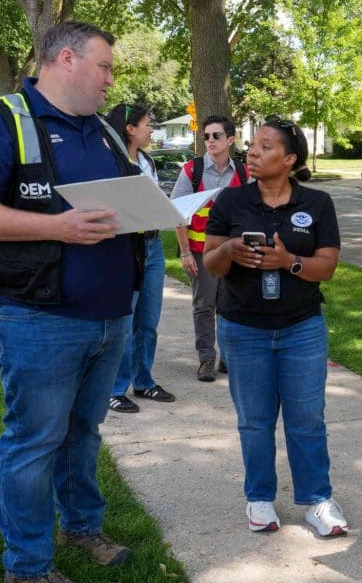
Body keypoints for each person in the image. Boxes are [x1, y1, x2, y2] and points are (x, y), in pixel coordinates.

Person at [0, 21, 140, 583]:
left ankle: (81, 527)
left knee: (83, 434)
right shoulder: (0, 121)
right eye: (104, 67)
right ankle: (27, 566)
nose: (111, 80)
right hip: (37, 318)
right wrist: (57, 227)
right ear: (67, 58)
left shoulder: (103, 129)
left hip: (109, 316)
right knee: (34, 442)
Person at [202, 118, 348, 537]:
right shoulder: (230, 202)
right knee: (255, 419)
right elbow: (211, 263)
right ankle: (260, 498)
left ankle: (318, 500)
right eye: (252, 145)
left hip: (301, 328)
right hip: (242, 328)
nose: (252, 152)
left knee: (306, 419)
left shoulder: (317, 203)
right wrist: (229, 248)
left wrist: (289, 262)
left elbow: (329, 267)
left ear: (288, 160)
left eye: (265, 147)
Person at [104, 102, 176, 413]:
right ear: (129, 128)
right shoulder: (109, 162)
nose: (151, 129)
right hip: (125, 247)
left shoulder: (147, 161)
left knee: (149, 319)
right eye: (147, 124)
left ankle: (144, 380)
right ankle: (115, 389)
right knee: (125, 319)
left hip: (152, 245)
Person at [172, 115, 247, 382]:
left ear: (230, 140)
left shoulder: (242, 172)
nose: (210, 141)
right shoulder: (192, 171)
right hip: (201, 253)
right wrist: (184, 252)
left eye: (216, 136)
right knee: (204, 306)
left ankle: (228, 358)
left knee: (231, 305)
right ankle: (206, 360)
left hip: (234, 254)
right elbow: (177, 213)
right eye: (206, 136)